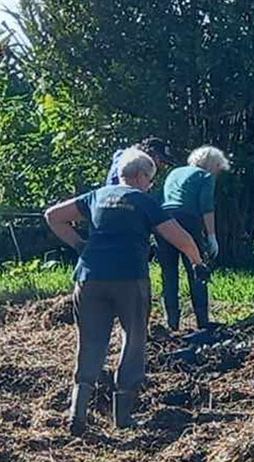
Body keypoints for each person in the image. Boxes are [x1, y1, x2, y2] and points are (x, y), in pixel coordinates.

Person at [44, 147, 204, 433]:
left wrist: (80, 245)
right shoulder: (143, 201)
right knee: (133, 339)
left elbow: (53, 216)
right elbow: (178, 236)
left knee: (91, 341)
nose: (151, 184)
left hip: (89, 278)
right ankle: (124, 417)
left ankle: (77, 411)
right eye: (151, 178)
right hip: (129, 279)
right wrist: (197, 261)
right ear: (141, 175)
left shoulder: (96, 195)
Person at [157, 145, 229, 335]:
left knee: (169, 271)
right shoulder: (205, 177)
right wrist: (211, 237)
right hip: (188, 219)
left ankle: (172, 323)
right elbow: (206, 206)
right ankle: (202, 321)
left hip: (163, 219)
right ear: (212, 165)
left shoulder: (174, 172)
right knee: (196, 269)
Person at [106, 137, 176, 184]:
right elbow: (113, 185)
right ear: (152, 154)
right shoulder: (126, 160)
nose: (163, 166)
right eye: (161, 161)